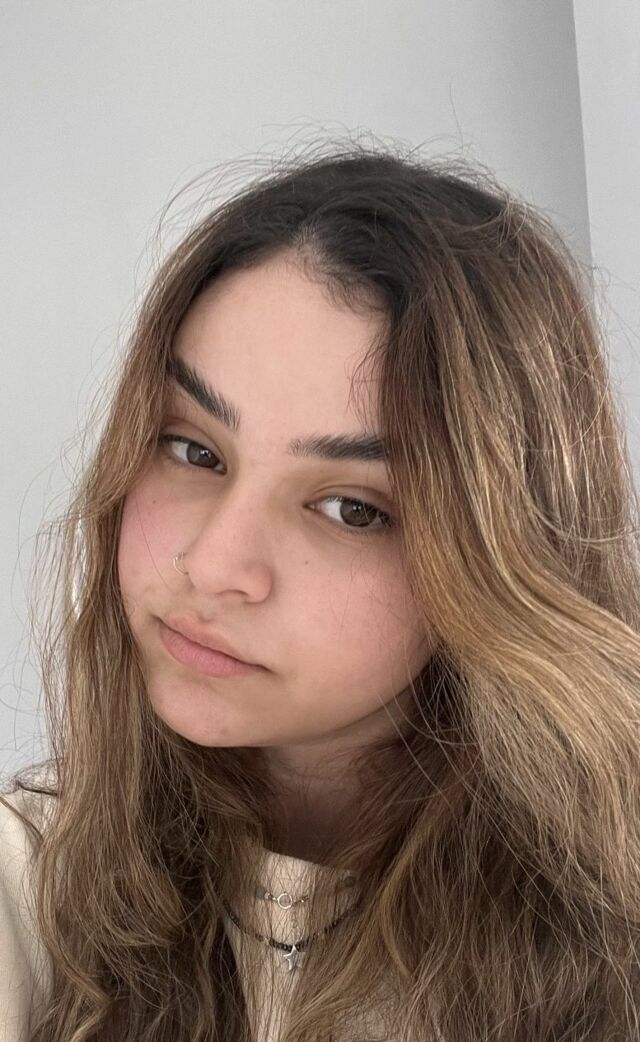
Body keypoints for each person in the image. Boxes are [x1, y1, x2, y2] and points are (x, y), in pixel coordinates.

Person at [1, 142, 640, 1042]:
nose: (213, 564)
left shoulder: (613, 921)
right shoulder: (29, 887)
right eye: (194, 450)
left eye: (351, 508)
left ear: (504, 556)